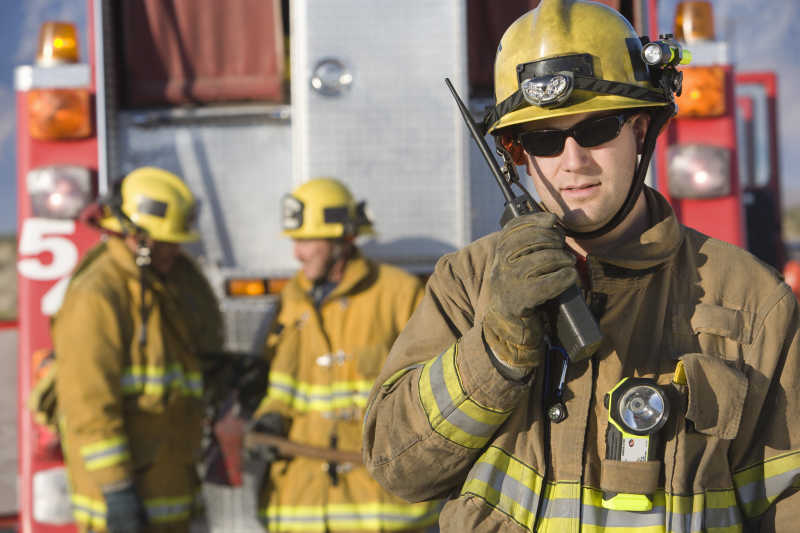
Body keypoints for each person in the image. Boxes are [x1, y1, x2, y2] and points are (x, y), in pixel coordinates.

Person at [362, 1, 800, 531]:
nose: (573, 160)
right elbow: (397, 468)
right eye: (545, 139)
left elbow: (787, 501)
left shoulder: (752, 300)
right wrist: (495, 350)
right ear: (516, 155)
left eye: (596, 130)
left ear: (640, 130)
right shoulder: (467, 284)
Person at [251, 178, 441, 532]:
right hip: (302, 505)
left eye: (308, 240)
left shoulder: (399, 295)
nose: (297, 253)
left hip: (380, 509)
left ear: (344, 238)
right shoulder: (292, 300)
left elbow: (433, 392)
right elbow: (281, 386)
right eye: (296, 241)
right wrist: (269, 418)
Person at [53, 167, 224, 532]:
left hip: (171, 488)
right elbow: (88, 404)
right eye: (165, 241)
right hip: (125, 501)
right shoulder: (97, 294)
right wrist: (117, 490)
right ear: (135, 235)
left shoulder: (169, 283)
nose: (175, 250)